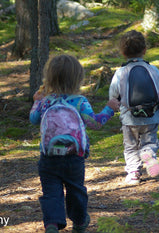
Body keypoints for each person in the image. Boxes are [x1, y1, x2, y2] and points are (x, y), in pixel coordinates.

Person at [30, 55, 120, 233]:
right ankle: (79, 222)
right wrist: (110, 108)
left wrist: (36, 102)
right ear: (78, 79)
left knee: (51, 192)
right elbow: (95, 123)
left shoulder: (46, 101)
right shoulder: (80, 102)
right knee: (76, 189)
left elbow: (34, 119)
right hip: (74, 157)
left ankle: (52, 224)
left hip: (48, 157)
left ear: (49, 78)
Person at [109, 30, 159, 185]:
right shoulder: (152, 69)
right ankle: (148, 154)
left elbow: (113, 94)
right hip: (152, 114)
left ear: (123, 52)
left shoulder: (121, 71)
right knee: (150, 141)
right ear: (144, 50)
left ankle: (134, 173)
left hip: (129, 117)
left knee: (130, 146)